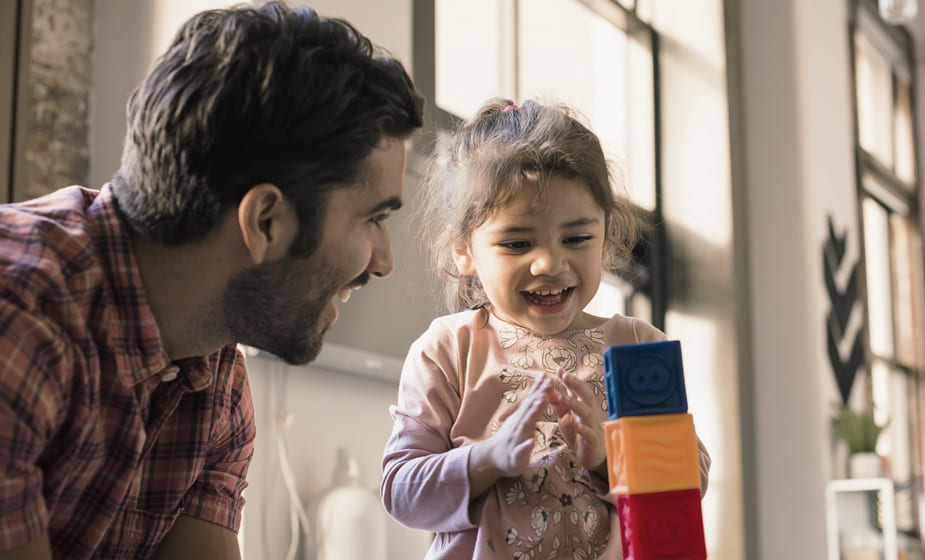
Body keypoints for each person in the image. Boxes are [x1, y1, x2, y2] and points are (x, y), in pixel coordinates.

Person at [0, 2, 422, 558]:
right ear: (265, 221)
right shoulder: (20, 321)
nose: (383, 262)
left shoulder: (214, 373)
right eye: (373, 219)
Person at [380, 98, 709, 559]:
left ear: (606, 236)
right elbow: (401, 492)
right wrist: (488, 458)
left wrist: (609, 456)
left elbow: (690, 480)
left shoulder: (637, 345)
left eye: (576, 238)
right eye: (517, 243)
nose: (551, 262)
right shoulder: (448, 349)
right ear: (464, 251)